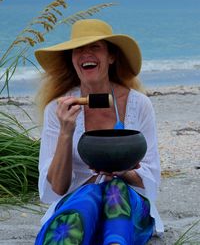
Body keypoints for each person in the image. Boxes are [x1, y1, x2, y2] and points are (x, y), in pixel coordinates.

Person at [34, 19, 164, 245]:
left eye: (95, 47)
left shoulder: (139, 104)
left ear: (111, 57)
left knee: (115, 189)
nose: (86, 54)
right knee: (89, 195)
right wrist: (66, 131)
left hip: (130, 205)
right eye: (79, 49)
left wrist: (123, 171)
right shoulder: (58, 108)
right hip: (79, 203)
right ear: (73, 59)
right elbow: (56, 189)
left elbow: (151, 179)